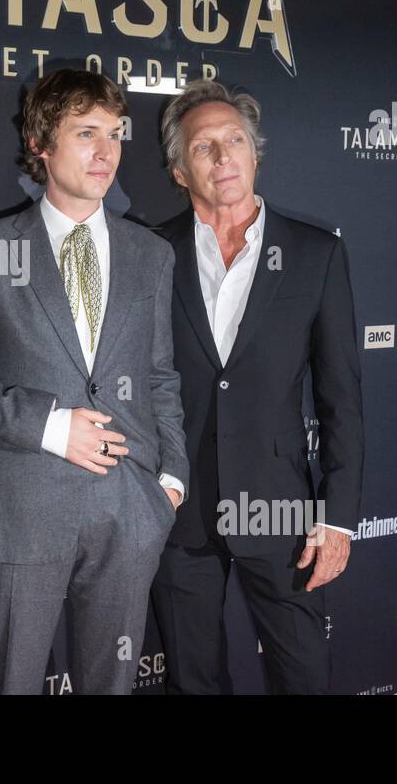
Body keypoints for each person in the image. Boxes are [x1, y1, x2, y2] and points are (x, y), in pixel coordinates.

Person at [0, 68, 188, 694]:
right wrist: (51, 429)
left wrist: (170, 483)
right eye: (86, 133)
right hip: (22, 509)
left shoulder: (151, 254)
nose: (106, 152)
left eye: (115, 134)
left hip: (130, 511)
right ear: (42, 145)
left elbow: (160, 374)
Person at [152, 78, 364, 694]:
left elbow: (341, 396)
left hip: (282, 511)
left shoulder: (314, 254)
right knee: (193, 682)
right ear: (178, 170)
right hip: (177, 511)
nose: (223, 158)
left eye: (235, 141)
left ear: (255, 153)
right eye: (203, 147)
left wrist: (339, 517)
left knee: (302, 677)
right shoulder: (148, 253)